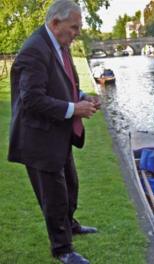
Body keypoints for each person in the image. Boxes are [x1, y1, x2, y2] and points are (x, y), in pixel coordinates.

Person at [8, 1, 100, 263]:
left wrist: (84, 97)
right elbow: (32, 100)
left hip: (57, 134)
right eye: (74, 27)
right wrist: (74, 109)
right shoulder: (34, 50)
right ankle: (62, 249)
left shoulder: (60, 44)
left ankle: (70, 225)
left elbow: (62, 84)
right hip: (38, 138)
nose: (77, 32)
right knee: (54, 195)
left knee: (70, 185)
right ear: (55, 23)